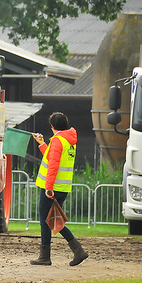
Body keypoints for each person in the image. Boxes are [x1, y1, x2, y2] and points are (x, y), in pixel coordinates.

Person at [31, 112, 88, 266]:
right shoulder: (69, 140)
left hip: (52, 187)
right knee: (54, 220)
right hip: (62, 187)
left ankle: (45, 257)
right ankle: (78, 251)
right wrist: (42, 143)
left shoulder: (57, 140)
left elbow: (53, 166)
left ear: (52, 126)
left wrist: (48, 187)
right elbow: (52, 158)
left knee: (47, 220)